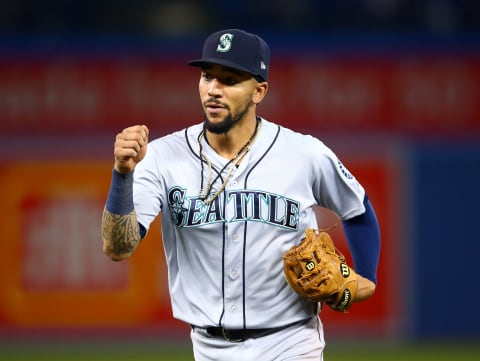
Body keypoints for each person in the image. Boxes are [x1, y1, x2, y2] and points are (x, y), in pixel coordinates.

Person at [101, 29, 381, 361]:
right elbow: (118, 248)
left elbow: (357, 207)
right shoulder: (161, 158)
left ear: (259, 91)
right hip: (208, 348)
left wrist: (366, 280)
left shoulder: (303, 154)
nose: (214, 90)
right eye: (207, 77)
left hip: (292, 343)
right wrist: (122, 175)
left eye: (230, 80)